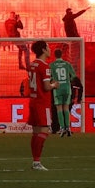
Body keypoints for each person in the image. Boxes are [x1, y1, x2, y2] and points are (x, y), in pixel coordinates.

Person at [28, 39, 58, 170]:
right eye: (48, 47)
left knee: (35, 132)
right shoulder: (44, 66)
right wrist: (54, 85)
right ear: (44, 50)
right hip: (42, 102)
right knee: (45, 131)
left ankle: (35, 162)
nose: (50, 49)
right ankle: (37, 162)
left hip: (33, 101)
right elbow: (46, 87)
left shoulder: (32, 64)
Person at [49, 46, 77, 137]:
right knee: (66, 108)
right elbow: (73, 76)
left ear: (54, 55)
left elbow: (49, 78)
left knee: (59, 108)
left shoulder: (52, 65)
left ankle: (62, 128)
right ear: (62, 55)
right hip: (67, 88)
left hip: (58, 88)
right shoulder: (67, 64)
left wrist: (53, 81)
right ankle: (68, 128)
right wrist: (67, 80)